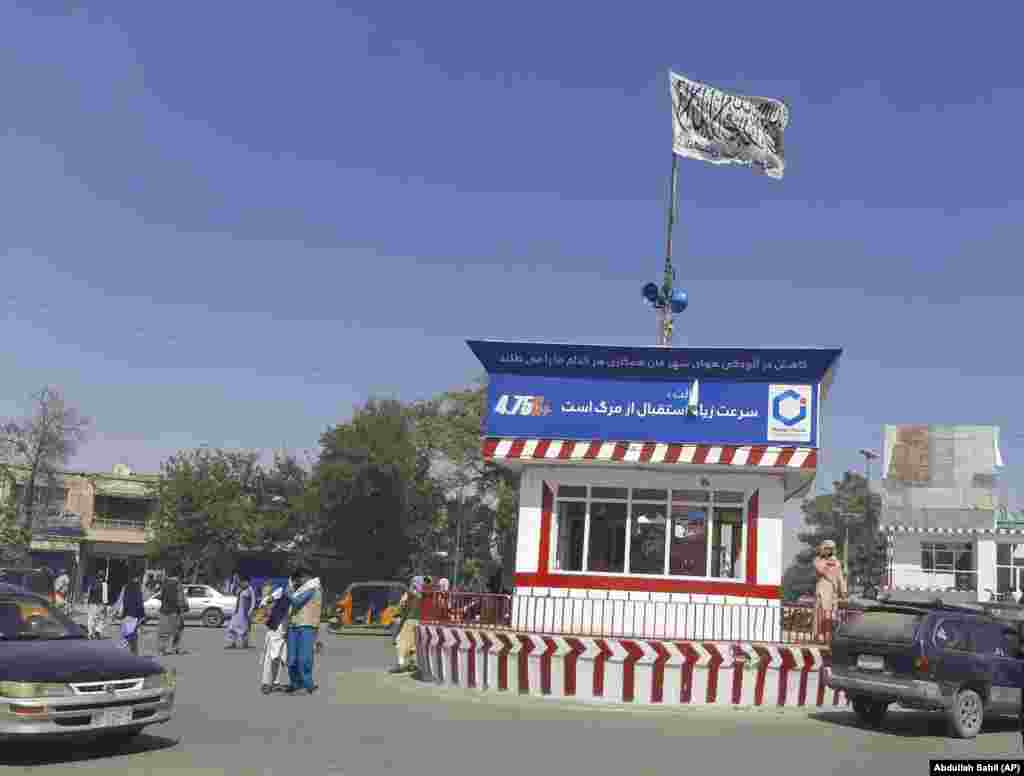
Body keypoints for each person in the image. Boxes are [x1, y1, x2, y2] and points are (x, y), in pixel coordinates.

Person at [284, 567, 322, 695]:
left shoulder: (313, 588)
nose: (297, 581)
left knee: (304, 658)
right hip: (293, 625)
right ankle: (295, 683)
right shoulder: (299, 589)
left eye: (298, 578)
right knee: (291, 658)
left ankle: (308, 684)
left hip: (307, 625)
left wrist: (288, 592)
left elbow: (297, 602)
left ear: (305, 577)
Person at [259, 586, 291, 694]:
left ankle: (275, 683)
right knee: (271, 657)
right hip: (276, 627)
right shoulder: (281, 591)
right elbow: (265, 602)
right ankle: (266, 683)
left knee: (281, 657)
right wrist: (267, 613)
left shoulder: (298, 593)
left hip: (286, 629)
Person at [814, 539, 847, 640]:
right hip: (822, 589)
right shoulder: (818, 560)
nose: (828, 551)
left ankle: (828, 635)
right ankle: (818, 634)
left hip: (833, 591)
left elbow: (840, 577)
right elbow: (821, 570)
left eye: (830, 549)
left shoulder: (836, 562)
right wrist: (829, 563)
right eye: (827, 548)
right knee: (821, 614)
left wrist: (844, 591)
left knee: (831, 615)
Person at [389, 576, 423, 674]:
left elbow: (402, 606)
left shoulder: (410, 594)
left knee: (400, 642)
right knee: (413, 645)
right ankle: (412, 664)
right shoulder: (426, 595)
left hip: (410, 621)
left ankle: (400, 664)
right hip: (421, 623)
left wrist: (397, 614)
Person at [114, 572, 146, 655]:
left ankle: (133, 654)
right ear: (138, 578)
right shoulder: (138, 588)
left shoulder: (126, 587)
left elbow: (120, 599)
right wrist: (142, 616)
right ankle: (128, 654)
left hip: (126, 614)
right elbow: (139, 602)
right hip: (133, 615)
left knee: (128, 635)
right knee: (129, 636)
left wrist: (115, 610)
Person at [158, 572, 188, 656]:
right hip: (175, 611)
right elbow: (180, 598)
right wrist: (183, 609)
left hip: (164, 611)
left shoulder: (164, 583)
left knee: (163, 631)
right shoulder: (178, 584)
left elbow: (161, 596)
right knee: (178, 630)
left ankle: (162, 650)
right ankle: (175, 648)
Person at [225, 575, 256, 649]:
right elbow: (234, 592)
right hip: (237, 611)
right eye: (242, 582)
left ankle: (244, 644)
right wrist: (235, 582)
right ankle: (232, 643)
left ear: (248, 582)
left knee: (244, 628)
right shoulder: (241, 589)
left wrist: (250, 611)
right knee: (232, 627)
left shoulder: (250, 589)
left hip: (244, 612)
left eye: (244, 582)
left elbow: (253, 601)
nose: (243, 583)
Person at [86, 570, 110, 639]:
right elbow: (105, 596)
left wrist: (88, 602)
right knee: (102, 618)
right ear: (103, 577)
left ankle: (90, 633)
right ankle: (98, 631)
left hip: (92, 603)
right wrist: (105, 605)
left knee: (91, 618)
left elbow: (89, 593)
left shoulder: (93, 583)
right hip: (100, 604)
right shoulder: (104, 584)